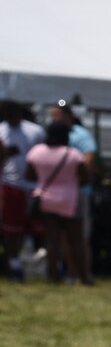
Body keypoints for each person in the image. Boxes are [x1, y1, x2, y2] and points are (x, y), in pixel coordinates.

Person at [25, 117, 91, 285]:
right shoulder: (73, 154)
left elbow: (29, 175)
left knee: (51, 240)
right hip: (69, 201)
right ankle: (83, 277)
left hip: (46, 200)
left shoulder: (36, 152)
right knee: (75, 241)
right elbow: (85, 178)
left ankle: (53, 276)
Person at [47, 100, 96, 285]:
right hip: (56, 195)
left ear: (68, 116)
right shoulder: (50, 135)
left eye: (56, 115)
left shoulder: (81, 135)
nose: (53, 118)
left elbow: (89, 162)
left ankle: (79, 274)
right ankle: (64, 274)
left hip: (78, 193)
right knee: (59, 238)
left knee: (79, 237)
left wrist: (73, 179)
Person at [0, 101, 46, 280]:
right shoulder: (1, 130)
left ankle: (41, 265)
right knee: (11, 230)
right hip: (10, 185)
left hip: (35, 187)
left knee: (38, 229)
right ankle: (15, 265)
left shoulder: (35, 131)